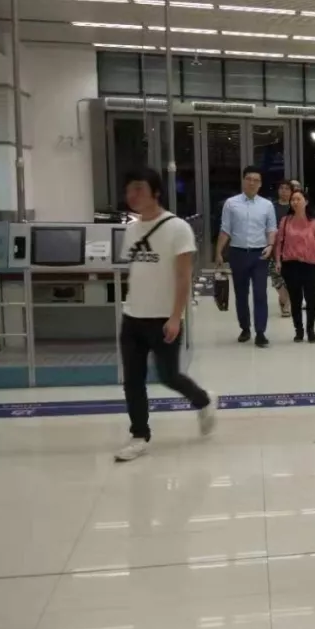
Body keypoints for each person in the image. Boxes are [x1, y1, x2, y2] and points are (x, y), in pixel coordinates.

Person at [115, 167, 217, 462]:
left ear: (156, 192)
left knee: (168, 375)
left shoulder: (178, 228)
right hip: (133, 317)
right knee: (132, 380)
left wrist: (175, 317)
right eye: (129, 190)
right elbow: (136, 271)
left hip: (163, 319)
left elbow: (184, 277)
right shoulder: (131, 229)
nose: (133, 195)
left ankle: (203, 400)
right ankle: (139, 435)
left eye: (139, 188)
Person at [215, 165, 277, 348]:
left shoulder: (267, 205)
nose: (252, 183)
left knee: (260, 293)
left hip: (260, 254)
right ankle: (245, 328)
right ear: (243, 181)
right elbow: (225, 229)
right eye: (249, 179)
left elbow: (271, 229)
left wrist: (270, 245)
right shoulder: (231, 203)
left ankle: (260, 332)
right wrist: (218, 252)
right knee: (241, 294)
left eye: (256, 180)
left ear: (260, 184)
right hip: (238, 253)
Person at [275, 189, 315, 344]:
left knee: (311, 299)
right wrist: (278, 261)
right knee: (295, 299)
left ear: (306, 202)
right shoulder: (285, 221)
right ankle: (298, 330)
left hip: (310, 265)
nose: (295, 202)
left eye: (298, 199)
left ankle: (310, 329)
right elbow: (279, 242)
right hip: (290, 264)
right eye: (293, 199)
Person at [271, 180, 293, 319]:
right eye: (281, 188)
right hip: (274, 246)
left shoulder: (294, 207)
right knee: (276, 277)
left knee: (291, 278)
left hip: (292, 247)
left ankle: (286, 304)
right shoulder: (271, 207)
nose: (284, 191)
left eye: (287, 189)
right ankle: (283, 299)